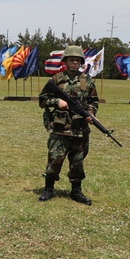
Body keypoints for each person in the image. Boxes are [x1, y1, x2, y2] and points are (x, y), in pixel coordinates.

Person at [38, 45, 98, 205]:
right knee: (54, 160)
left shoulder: (87, 80)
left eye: (78, 60)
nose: (75, 63)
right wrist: (57, 101)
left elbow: (93, 101)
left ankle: (76, 191)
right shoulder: (56, 79)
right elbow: (42, 99)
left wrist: (91, 112)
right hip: (60, 128)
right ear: (65, 61)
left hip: (80, 130)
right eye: (72, 60)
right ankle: (48, 189)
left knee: (77, 162)